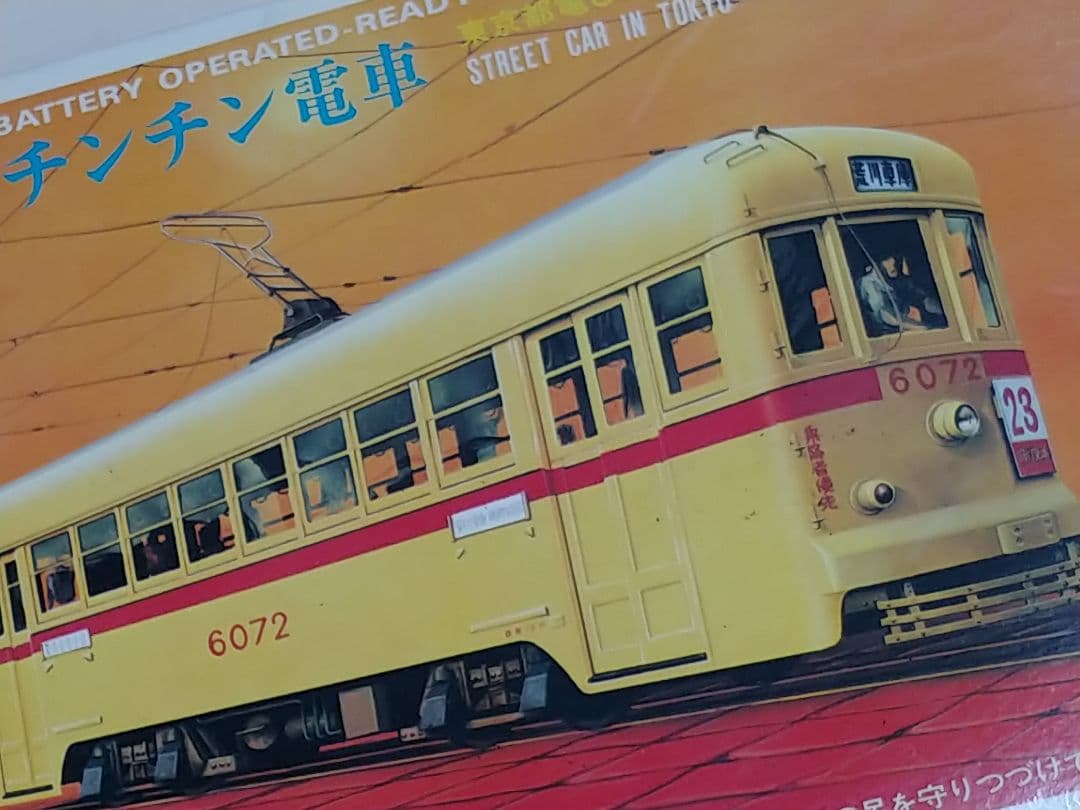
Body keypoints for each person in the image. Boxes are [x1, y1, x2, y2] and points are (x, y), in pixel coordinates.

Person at [858, 252, 945, 333]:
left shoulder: (898, 278)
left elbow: (922, 298)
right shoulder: (869, 284)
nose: (893, 262)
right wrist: (925, 328)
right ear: (876, 263)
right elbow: (889, 317)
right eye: (887, 259)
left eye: (896, 256)